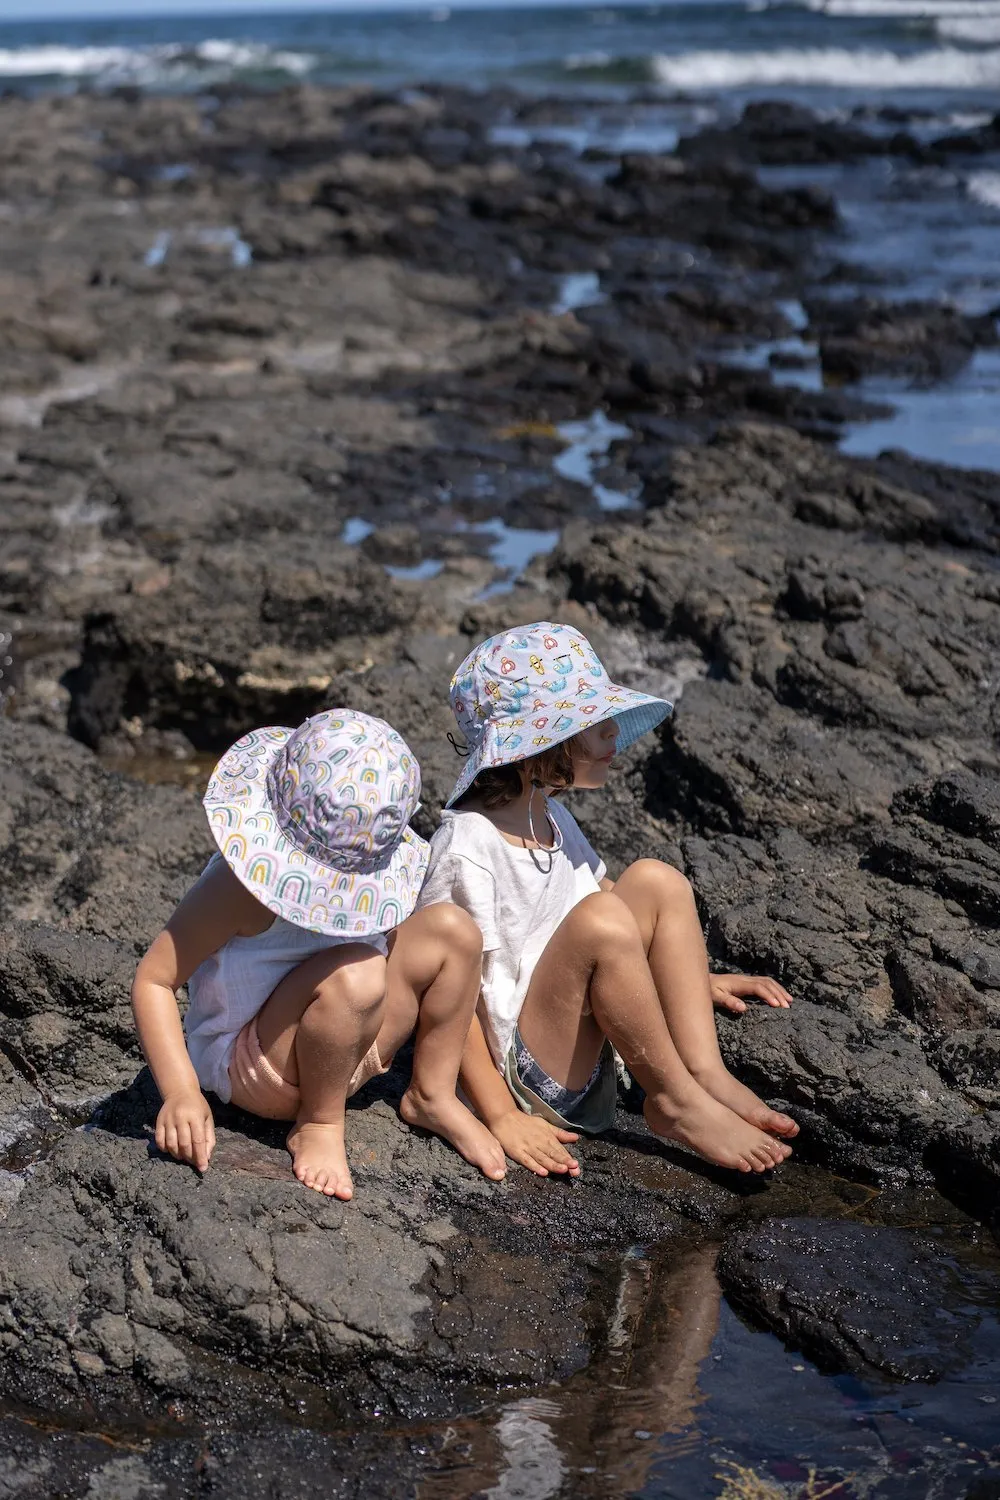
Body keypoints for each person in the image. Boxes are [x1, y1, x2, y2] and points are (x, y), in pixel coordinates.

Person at [418, 622, 799, 1179]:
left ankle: (703, 1072)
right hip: (527, 1075)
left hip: (584, 1034)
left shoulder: (548, 813)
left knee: (654, 880)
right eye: (595, 725)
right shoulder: (468, 846)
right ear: (541, 743)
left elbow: (614, 906)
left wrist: (688, 979)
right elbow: (448, 996)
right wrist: (498, 1114)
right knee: (600, 919)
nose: (614, 736)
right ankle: (673, 1101)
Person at [132, 709, 506, 1200]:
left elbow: (393, 950)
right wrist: (180, 1093)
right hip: (258, 1066)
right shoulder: (237, 890)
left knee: (454, 932)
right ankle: (319, 1123)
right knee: (360, 974)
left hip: (349, 1043)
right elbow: (155, 981)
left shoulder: (360, 871)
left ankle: (431, 1094)